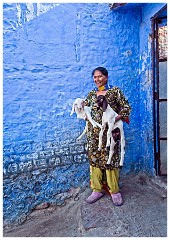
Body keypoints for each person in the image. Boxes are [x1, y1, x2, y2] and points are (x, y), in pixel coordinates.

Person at [84, 67, 131, 206]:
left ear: (106, 76)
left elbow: (126, 108)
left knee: (112, 160)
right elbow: (86, 109)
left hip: (111, 133)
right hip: (94, 134)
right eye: (95, 77)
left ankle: (114, 191)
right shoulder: (92, 94)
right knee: (95, 160)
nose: (97, 79)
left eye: (100, 76)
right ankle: (97, 190)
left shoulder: (115, 91)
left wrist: (115, 119)